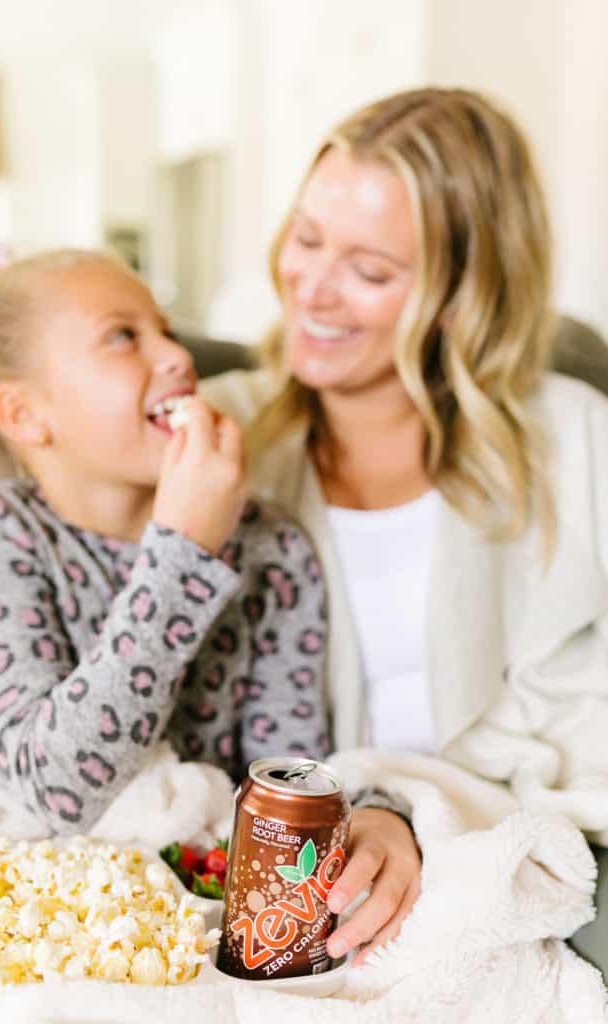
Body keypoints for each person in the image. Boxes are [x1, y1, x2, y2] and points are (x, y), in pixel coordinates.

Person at [201, 87, 608, 974]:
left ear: (465, 295)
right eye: (305, 240)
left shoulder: (573, 442)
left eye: (370, 271)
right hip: (288, 867)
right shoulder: (218, 436)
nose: (310, 287)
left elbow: (587, 724)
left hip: (491, 844)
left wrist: (419, 811)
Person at [0, 247, 415, 965]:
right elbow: (52, 790)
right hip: (35, 910)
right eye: (123, 336)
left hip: (188, 919)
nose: (177, 358)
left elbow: (285, 775)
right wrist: (183, 552)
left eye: (166, 330)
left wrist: (378, 810)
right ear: (24, 414)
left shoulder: (268, 544)